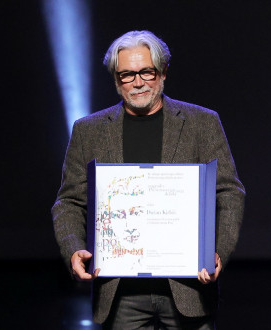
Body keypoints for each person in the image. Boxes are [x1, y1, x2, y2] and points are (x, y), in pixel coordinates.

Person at [52, 30, 245, 329]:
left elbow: (229, 192)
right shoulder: (87, 131)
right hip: (119, 290)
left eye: (146, 72)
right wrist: (74, 248)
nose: (138, 82)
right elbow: (70, 200)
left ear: (163, 72)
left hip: (189, 287)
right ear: (117, 79)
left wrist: (217, 251)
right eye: (127, 74)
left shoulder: (202, 123)